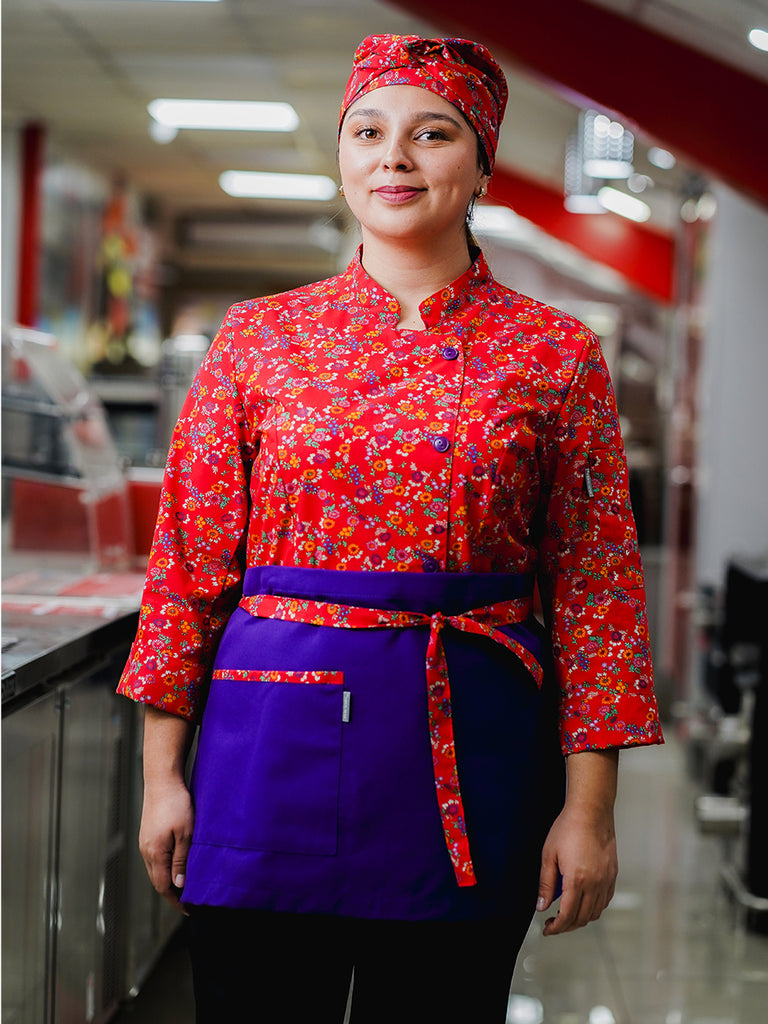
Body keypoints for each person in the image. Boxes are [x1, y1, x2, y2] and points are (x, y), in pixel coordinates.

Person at [118, 33, 662, 1023]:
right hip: (265, 751)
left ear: (484, 161)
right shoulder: (260, 336)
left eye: (433, 133)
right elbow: (189, 567)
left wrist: (590, 811)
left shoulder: (555, 354)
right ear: (341, 156)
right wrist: (162, 778)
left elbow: (597, 592)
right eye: (367, 131)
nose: (393, 157)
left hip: (471, 750)